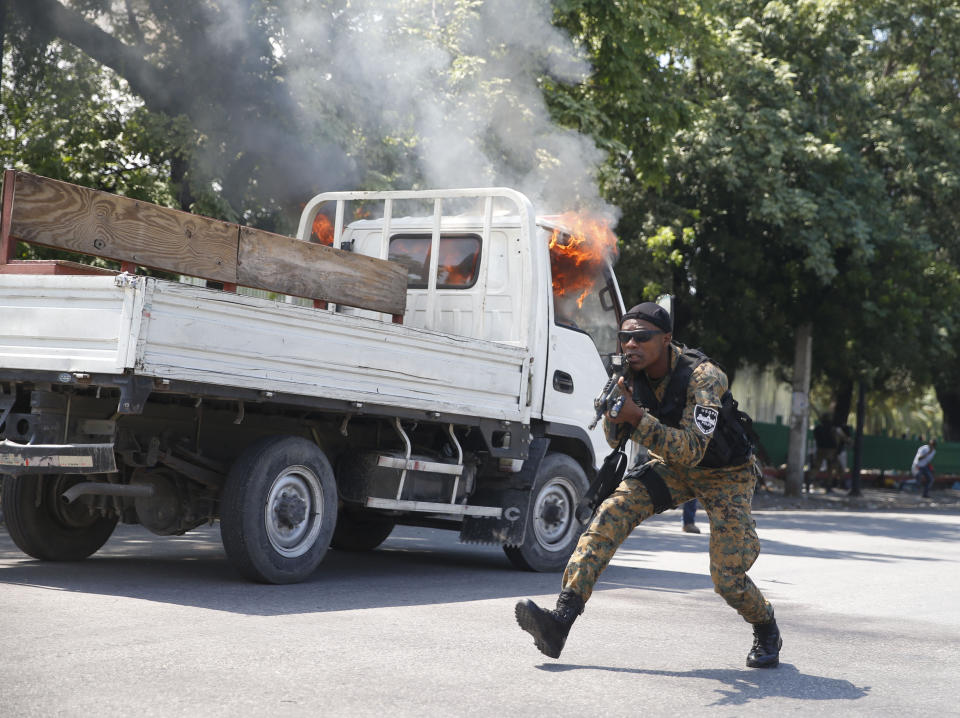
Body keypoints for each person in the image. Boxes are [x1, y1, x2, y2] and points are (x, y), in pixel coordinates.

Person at [514, 302, 781, 668]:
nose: (631, 345)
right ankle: (560, 620)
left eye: (642, 337)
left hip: (726, 474)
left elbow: (691, 448)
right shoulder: (628, 374)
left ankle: (766, 627)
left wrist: (636, 415)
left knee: (727, 576)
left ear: (667, 339)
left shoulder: (704, 377)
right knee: (611, 513)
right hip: (673, 467)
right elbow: (614, 438)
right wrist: (614, 408)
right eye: (625, 338)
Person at [807, 414, 841, 493]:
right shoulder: (832, 428)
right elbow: (837, 438)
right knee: (830, 468)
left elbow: (816, 437)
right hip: (830, 450)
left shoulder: (817, 428)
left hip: (820, 449)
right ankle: (828, 486)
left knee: (816, 467)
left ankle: (809, 480)